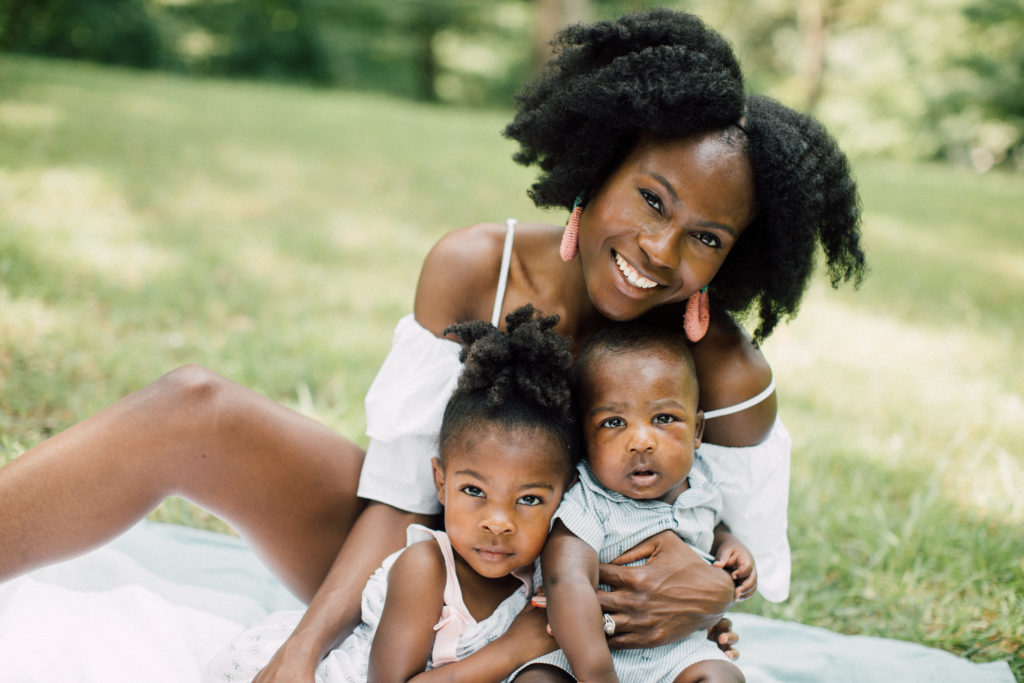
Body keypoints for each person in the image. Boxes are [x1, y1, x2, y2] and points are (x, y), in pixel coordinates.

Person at [0, 9, 865, 682]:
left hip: (586, 625)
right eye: (651, 198)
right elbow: (400, 494)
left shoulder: (725, 366)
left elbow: (744, 563)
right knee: (192, 405)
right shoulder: (475, 268)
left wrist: (716, 584)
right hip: (440, 570)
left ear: (737, 257)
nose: (661, 251)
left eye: (706, 238)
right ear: (600, 165)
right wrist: (304, 649)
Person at [205, 306, 577, 682]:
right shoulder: (425, 568)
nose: (498, 522)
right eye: (474, 490)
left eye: (528, 499)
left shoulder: (546, 582)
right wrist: (512, 649)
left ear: (566, 496)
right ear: (440, 482)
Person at [519, 323, 755, 683]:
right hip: (583, 657)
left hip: (677, 653)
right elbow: (564, 577)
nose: (641, 441)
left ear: (697, 432)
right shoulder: (588, 498)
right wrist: (598, 675)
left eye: (663, 418)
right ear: (584, 438)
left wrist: (728, 545)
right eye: (614, 422)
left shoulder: (704, 483)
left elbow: (710, 525)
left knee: (723, 677)